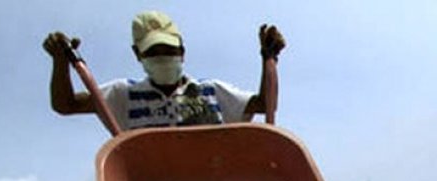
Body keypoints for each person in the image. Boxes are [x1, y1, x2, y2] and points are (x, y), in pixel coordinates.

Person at [42, 10, 286, 131]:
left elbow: (264, 105)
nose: (164, 58)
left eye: (170, 51)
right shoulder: (123, 95)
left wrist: (269, 58)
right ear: (138, 55)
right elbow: (66, 105)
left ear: (182, 52)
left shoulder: (211, 92)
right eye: (154, 52)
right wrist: (60, 63)